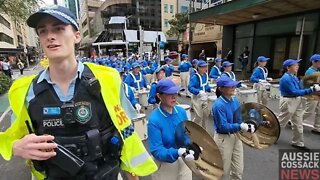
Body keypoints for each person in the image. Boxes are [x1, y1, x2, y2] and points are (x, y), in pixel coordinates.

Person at [0, 5, 157, 180]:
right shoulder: (24, 90)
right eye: (43, 31)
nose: (50, 36)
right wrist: (15, 146)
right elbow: (11, 136)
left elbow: (126, 128)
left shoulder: (108, 78)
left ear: (77, 36)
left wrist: (132, 172)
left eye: (59, 29)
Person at [148, 78, 196, 180]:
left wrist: (191, 146)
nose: (174, 96)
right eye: (169, 94)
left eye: (175, 92)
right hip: (165, 165)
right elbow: (157, 150)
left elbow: (186, 134)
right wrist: (176, 152)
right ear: (159, 96)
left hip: (183, 160)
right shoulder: (154, 120)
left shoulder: (181, 112)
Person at [212, 76, 256, 180]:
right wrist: (239, 126)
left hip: (236, 136)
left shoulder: (235, 100)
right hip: (223, 138)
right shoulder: (218, 105)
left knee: (238, 169)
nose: (233, 87)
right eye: (229, 86)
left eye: (233, 85)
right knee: (222, 170)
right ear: (221, 89)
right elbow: (222, 126)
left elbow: (239, 118)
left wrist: (247, 125)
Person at [278, 59, 320, 150]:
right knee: (281, 122)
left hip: (296, 100)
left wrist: (311, 87)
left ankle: (298, 143)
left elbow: (299, 88)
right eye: (295, 65)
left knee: (298, 122)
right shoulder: (286, 78)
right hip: (289, 101)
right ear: (288, 68)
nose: (297, 66)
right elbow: (294, 92)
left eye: (297, 65)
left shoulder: (293, 76)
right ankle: (270, 134)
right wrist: (311, 90)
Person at [188, 60, 212, 134]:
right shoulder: (195, 77)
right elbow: (190, 87)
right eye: (203, 67)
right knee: (199, 116)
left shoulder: (205, 75)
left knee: (205, 114)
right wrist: (198, 91)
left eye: (205, 66)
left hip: (205, 98)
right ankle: (191, 127)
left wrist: (210, 89)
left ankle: (203, 131)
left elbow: (206, 85)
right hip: (197, 98)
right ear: (198, 68)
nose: (205, 68)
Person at [303, 54, 320, 135]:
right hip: (312, 94)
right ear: (314, 62)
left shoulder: (317, 71)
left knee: (319, 111)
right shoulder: (309, 71)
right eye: (319, 61)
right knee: (309, 111)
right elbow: (307, 83)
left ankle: (317, 127)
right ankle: (294, 121)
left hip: (318, 94)